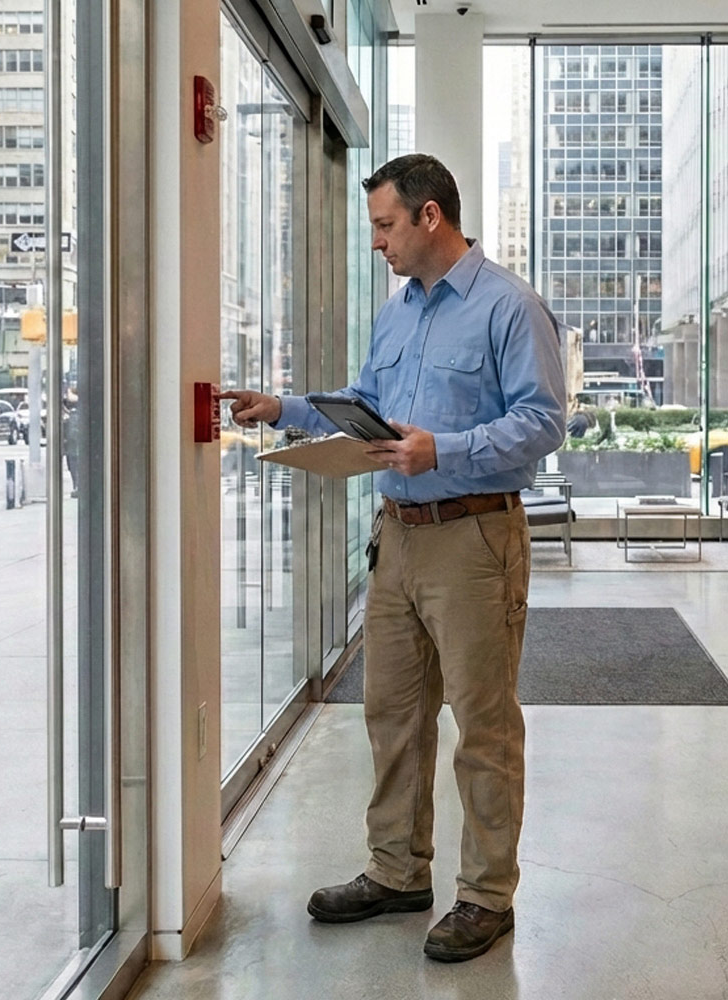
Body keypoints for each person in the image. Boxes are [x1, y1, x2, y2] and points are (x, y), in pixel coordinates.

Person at [221, 153, 566, 963]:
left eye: (383, 225)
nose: (377, 242)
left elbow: (544, 423)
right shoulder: (398, 312)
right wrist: (285, 410)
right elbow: (368, 408)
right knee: (392, 716)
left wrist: (442, 449)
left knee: (481, 724)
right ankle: (398, 871)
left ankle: (486, 895)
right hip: (398, 538)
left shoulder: (508, 307)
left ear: (428, 218)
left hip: (474, 538)